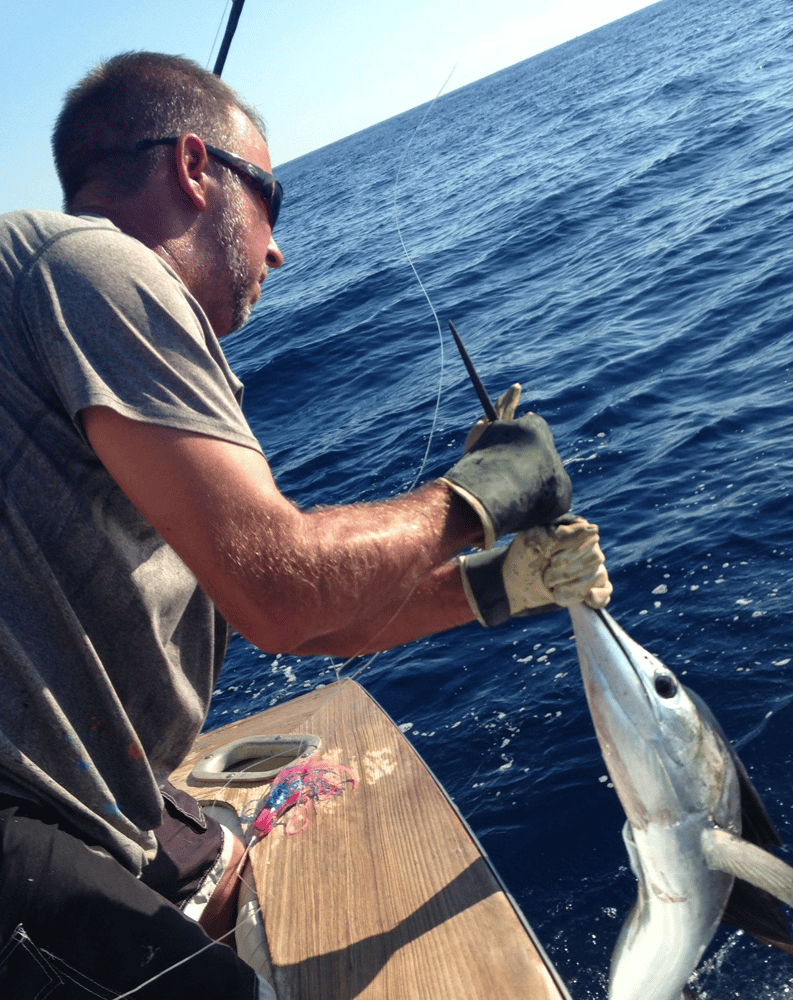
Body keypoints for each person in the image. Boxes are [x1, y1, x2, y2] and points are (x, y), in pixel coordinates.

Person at [0, 51, 610, 998]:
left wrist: (497, 585)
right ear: (196, 170)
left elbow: (309, 621)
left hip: (61, 792)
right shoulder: (88, 262)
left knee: (220, 858)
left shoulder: (82, 335)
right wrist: (474, 498)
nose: (279, 250)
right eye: (272, 198)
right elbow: (280, 593)